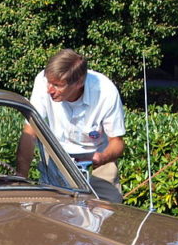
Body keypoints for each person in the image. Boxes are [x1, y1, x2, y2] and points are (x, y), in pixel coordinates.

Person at [16, 48, 126, 197]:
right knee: (53, 213)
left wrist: (102, 157)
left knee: (107, 214)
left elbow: (117, 142)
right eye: (49, 82)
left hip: (98, 160)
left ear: (79, 82)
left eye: (57, 85)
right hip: (58, 158)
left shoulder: (106, 91)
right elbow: (30, 132)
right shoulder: (42, 82)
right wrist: (21, 181)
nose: (49, 90)